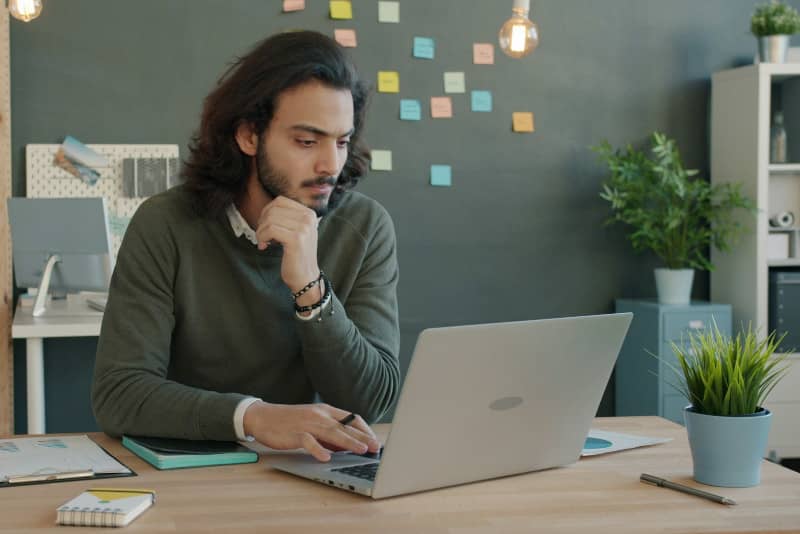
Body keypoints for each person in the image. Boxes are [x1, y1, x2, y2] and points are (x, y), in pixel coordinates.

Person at [92, 30, 400, 462]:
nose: (331, 164)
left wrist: (312, 290)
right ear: (249, 136)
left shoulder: (365, 227)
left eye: (342, 141)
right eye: (307, 141)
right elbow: (119, 393)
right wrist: (253, 417)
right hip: (190, 474)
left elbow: (372, 403)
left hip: (312, 474)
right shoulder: (165, 223)